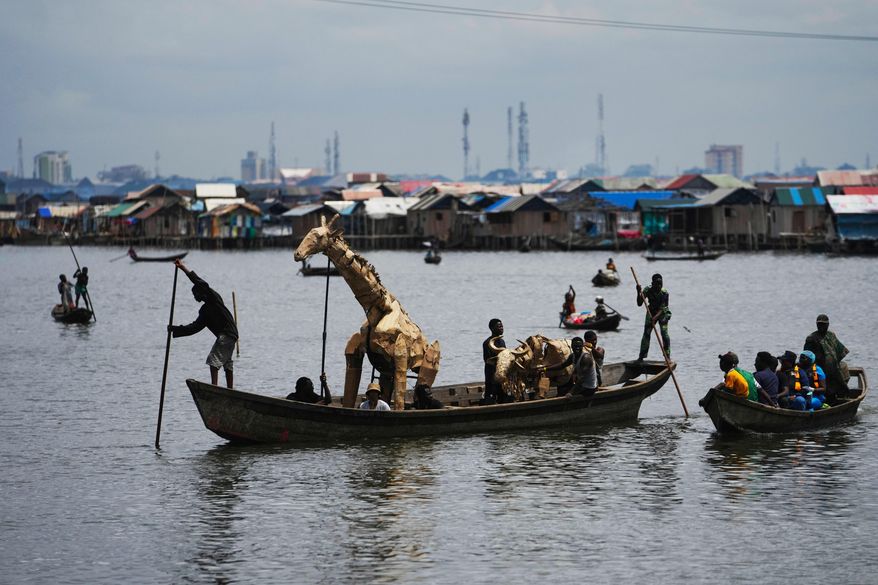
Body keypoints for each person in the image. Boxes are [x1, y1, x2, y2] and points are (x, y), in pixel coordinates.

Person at [168, 259, 239, 389]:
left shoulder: (214, 298)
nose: (194, 297)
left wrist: (183, 268)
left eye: (195, 294)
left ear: (201, 292)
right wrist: (174, 329)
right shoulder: (205, 311)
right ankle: (230, 389)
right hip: (231, 334)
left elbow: (198, 281)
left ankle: (215, 389)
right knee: (226, 362)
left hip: (227, 334)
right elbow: (193, 328)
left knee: (213, 361)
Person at [804, 314, 849, 402]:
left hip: (834, 369)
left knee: (842, 379)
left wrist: (834, 363)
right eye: (819, 324)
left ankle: (838, 400)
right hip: (820, 370)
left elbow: (839, 351)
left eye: (823, 324)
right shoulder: (811, 338)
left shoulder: (831, 335)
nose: (821, 326)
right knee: (827, 392)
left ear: (828, 325)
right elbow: (807, 356)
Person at [636, 273, 671, 360]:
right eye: (657, 283)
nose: (659, 285)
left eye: (660, 283)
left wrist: (654, 318)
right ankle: (641, 356)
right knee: (646, 333)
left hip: (662, 313)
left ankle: (667, 356)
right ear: (652, 283)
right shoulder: (647, 290)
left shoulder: (664, 293)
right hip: (651, 311)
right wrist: (638, 292)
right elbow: (639, 303)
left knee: (664, 334)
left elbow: (663, 308)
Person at [482, 318, 507, 404]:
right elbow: (487, 360)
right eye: (499, 326)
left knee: (504, 396)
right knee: (490, 398)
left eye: (502, 326)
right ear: (492, 329)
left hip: (502, 375)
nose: (501, 328)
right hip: (491, 375)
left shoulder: (502, 342)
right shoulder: (487, 343)